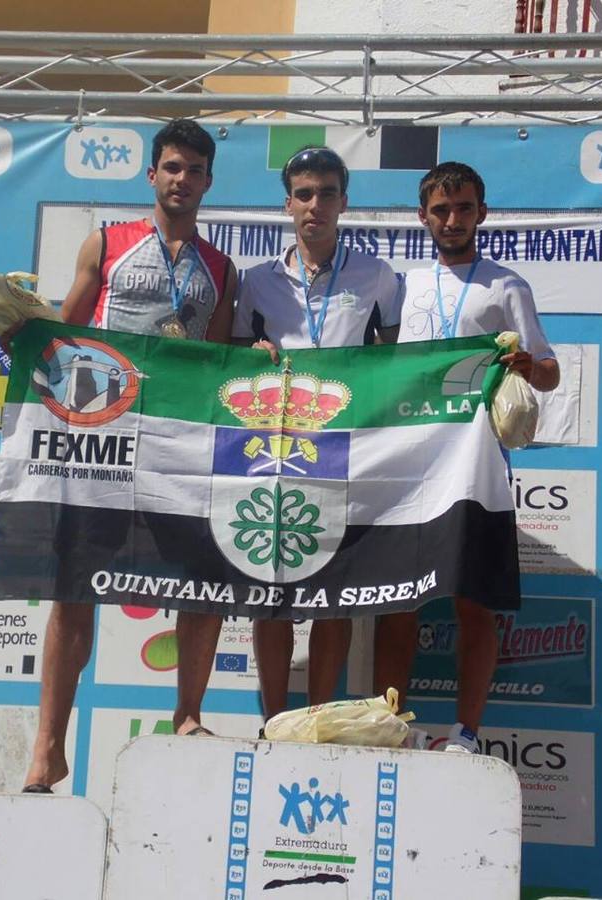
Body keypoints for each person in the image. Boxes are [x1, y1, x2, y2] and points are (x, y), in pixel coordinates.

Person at [22, 119, 236, 792]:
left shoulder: (221, 267)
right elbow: (65, 329)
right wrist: (22, 337)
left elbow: (217, 362)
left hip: (179, 444)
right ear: (152, 175)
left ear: (207, 181)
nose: (182, 179)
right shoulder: (107, 242)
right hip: (101, 440)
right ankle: (47, 747)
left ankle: (188, 714)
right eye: (171, 167)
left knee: (202, 582)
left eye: (194, 169)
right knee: (72, 590)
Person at [380, 161, 560, 751]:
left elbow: (551, 371)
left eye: (462, 208)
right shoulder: (403, 284)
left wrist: (527, 366)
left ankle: (467, 732)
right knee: (398, 601)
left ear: (481, 213)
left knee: (473, 601)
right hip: (411, 459)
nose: (451, 219)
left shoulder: (508, 285)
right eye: (440, 210)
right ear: (423, 217)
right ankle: (391, 723)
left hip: (478, 462)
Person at [233, 146, 402, 721]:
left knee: (337, 594)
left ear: (344, 202)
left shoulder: (378, 276)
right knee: (270, 594)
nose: (316, 205)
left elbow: (396, 360)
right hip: (274, 450)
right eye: (304, 194)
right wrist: (248, 356)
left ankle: (321, 717)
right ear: (288, 204)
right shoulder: (255, 283)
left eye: (327, 193)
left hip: (347, 451)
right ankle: (278, 721)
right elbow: (232, 363)